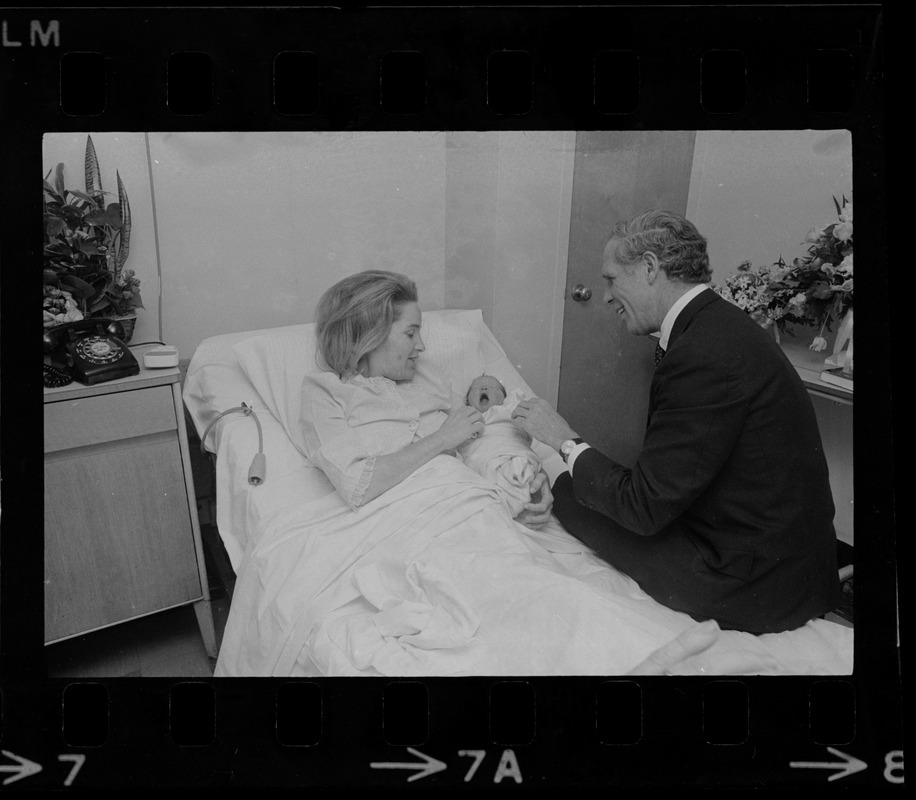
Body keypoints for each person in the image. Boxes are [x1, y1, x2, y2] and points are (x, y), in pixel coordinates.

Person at [511, 210, 841, 634]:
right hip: (789, 562)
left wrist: (563, 442)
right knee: (582, 493)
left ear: (649, 268)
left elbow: (643, 509)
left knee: (572, 500)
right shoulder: (719, 324)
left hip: (758, 585)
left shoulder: (702, 354)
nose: (606, 295)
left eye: (611, 279)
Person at [457, 374, 543, 520]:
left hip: (510, 445)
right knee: (482, 475)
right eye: (476, 388)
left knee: (520, 467)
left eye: (492, 387)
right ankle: (507, 502)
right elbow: (458, 440)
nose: (484, 388)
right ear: (467, 401)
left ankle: (519, 496)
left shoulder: (510, 409)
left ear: (504, 397)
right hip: (481, 454)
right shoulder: (465, 415)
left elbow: (527, 428)